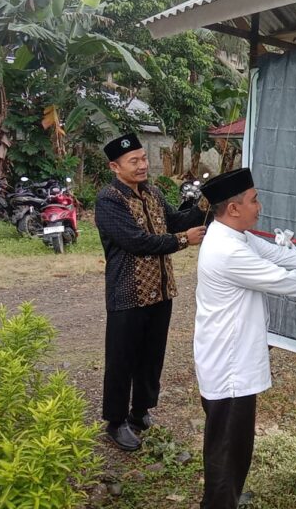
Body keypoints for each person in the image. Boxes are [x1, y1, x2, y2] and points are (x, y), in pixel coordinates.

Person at [194, 168, 296, 509]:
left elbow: (282, 256)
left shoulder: (233, 235)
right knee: (227, 452)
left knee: (233, 447)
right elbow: (284, 281)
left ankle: (227, 496)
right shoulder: (227, 250)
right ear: (234, 208)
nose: (260, 206)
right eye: (254, 200)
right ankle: (222, 501)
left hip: (230, 361)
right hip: (230, 370)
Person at [95, 133, 208, 452]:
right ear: (114, 167)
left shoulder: (153, 193)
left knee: (151, 357)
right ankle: (115, 422)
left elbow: (176, 221)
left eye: (144, 158)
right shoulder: (109, 200)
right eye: (135, 161)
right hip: (128, 293)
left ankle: (140, 412)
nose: (143, 165)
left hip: (161, 291)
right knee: (121, 359)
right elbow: (136, 241)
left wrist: (203, 202)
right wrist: (183, 240)